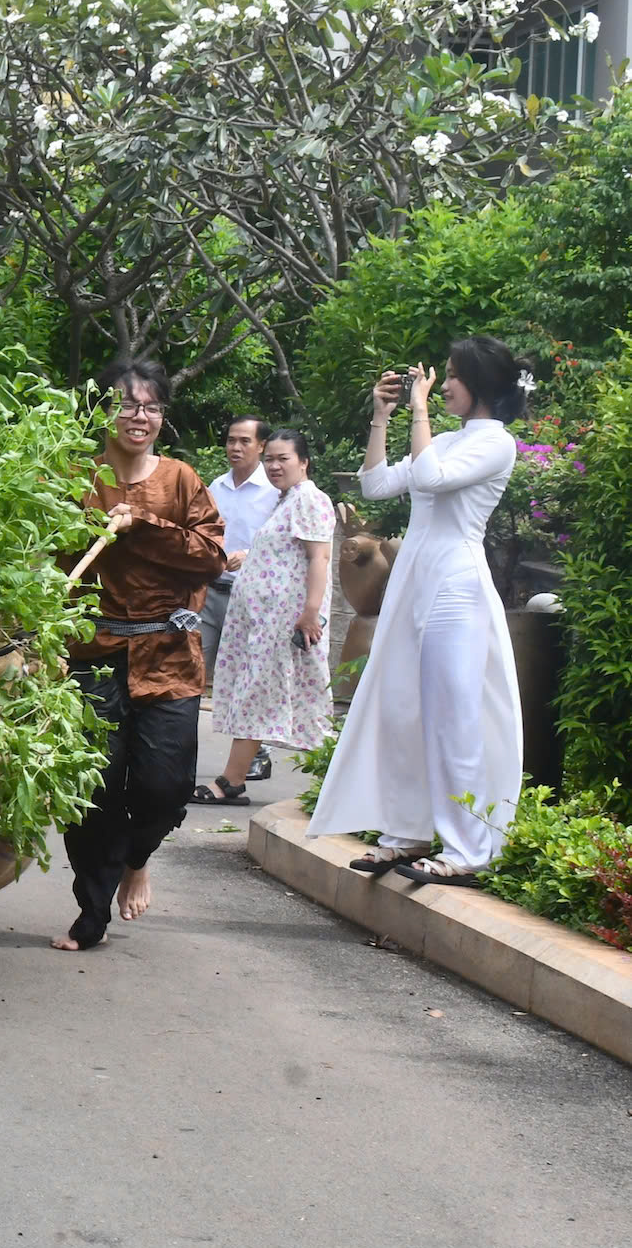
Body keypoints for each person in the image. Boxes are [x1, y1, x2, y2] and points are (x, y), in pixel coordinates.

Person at [308, 339, 528, 885]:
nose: (441, 384)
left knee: (453, 718)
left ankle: (468, 849)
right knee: (404, 708)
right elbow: (377, 484)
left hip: (456, 590)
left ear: (479, 384)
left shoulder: (496, 445)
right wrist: (382, 417)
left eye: (452, 377)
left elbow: (429, 479)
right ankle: (405, 834)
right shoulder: (449, 441)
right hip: (415, 587)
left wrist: (421, 411)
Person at [54, 358, 226, 952]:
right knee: (93, 785)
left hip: (170, 653)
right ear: (105, 411)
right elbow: (46, 562)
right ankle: (91, 913)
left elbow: (211, 556)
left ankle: (137, 858)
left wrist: (145, 525)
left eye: (152, 407)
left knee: (164, 786)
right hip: (91, 649)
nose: (141, 416)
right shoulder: (73, 477)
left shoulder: (180, 478)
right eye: (129, 404)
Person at [195, 429, 333, 806]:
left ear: (303, 462)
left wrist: (310, 613)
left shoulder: (310, 499)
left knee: (284, 700)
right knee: (269, 698)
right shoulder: (286, 500)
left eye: (283, 458)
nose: (274, 466)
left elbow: (318, 558)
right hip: (265, 622)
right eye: (269, 459)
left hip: (285, 623)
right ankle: (239, 780)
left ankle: (231, 781)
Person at [202, 416, 279, 781]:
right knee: (194, 668)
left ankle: (255, 755)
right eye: (231, 440)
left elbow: (286, 544)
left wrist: (251, 556)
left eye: (244, 441)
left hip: (253, 600)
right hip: (211, 592)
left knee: (245, 679)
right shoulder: (215, 486)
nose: (235, 447)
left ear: (261, 446)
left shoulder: (276, 491)